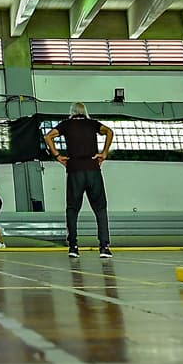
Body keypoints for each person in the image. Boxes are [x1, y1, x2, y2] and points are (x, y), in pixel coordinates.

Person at [44, 103, 114, 258]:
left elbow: (47, 136)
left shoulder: (66, 124)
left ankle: (73, 247)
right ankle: (104, 247)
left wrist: (57, 156)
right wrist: (104, 153)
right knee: (100, 209)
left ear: (72, 113)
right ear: (85, 112)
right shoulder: (93, 124)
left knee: (72, 209)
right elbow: (109, 132)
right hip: (93, 169)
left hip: (75, 170)